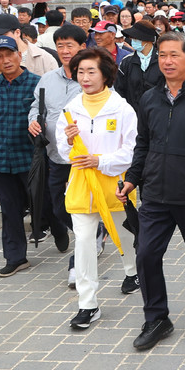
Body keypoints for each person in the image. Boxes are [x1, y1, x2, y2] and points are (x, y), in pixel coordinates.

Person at [118, 32, 185, 351]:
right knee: (146, 254)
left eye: (174, 55)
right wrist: (132, 178)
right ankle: (156, 317)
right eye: (162, 55)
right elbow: (143, 143)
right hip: (154, 194)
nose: (166, 61)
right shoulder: (149, 99)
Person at [56, 48, 138, 329]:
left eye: (91, 71)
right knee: (85, 242)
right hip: (81, 185)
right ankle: (87, 303)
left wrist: (100, 160)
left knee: (125, 234)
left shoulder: (123, 108)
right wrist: (68, 143)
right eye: (80, 72)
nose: (85, 77)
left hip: (115, 184)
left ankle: (132, 272)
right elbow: (62, 150)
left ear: (105, 74)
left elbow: (132, 150)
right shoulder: (70, 110)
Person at [28, 24, 86, 285]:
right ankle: (92, 232)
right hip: (54, 155)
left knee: (81, 208)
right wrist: (33, 121)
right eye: (60, 45)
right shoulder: (47, 79)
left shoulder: (92, 77)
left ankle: (79, 263)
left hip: (84, 158)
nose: (64, 50)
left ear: (81, 48)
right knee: (58, 208)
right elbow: (35, 106)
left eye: (69, 45)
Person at [0, 36, 40, 276]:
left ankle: (58, 230)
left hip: (30, 159)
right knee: (9, 210)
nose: (5, 60)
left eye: (10, 54)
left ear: (20, 55)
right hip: (0, 160)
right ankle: (16, 257)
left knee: (43, 205)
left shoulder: (37, 84)